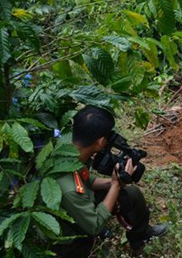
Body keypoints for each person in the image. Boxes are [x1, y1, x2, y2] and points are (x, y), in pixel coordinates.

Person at [54, 106, 166, 257]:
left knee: (131, 193)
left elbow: (86, 179)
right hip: (67, 235)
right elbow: (94, 225)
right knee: (82, 246)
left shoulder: (69, 151)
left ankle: (141, 238)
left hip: (79, 206)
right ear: (101, 142)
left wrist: (112, 182)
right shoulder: (70, 188)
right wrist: (115, 185)